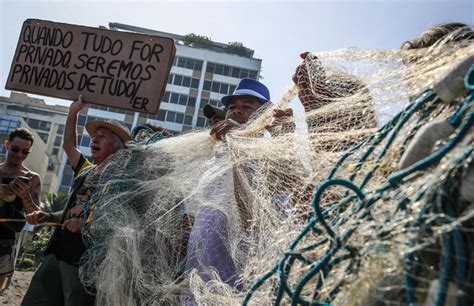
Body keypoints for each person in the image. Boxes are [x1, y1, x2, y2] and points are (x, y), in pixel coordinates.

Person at [22, 95, 131, 306]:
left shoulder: (123, 181)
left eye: (102, 136)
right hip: (56, 254)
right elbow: (69, 145)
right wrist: (73, 113)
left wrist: (84, 225)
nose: (94, 139)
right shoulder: (85, 170)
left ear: (117, 147)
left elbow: (123, 222)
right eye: (94, 136)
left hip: (85, 266)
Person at [182, 79, 271, 303]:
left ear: (264, 115)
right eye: (232, 107)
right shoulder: (214, 159)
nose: (236, 111)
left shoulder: (269, 155)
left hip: (238, 280)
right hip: (199, 276)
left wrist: (237, 147)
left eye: (247, 106)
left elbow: (252, 217)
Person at [0, 128, 41, 289]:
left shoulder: (32, 178)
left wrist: (25, 196)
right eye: (15, 149)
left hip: (5, 239)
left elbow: (36, 216)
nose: (19, 155)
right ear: (7, 145)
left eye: (25, 152)